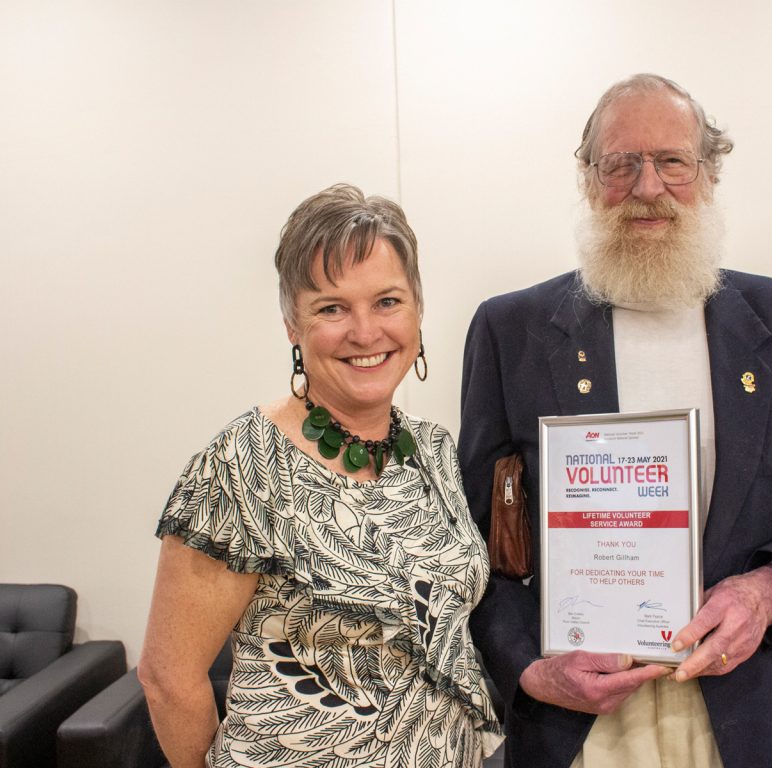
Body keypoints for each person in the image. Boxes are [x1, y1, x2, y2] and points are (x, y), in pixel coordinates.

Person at [459, 74, 772, 767]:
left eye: (672, 162)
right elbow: (470, 545)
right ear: (588, 177)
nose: (647, 188)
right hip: (579, 723)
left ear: (709, 173)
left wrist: (769, 589)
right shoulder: (509, 332)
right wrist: (529, 668)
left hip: (756, 716)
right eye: (620, 163)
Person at [139, 183, 503, 768]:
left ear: (418, 309)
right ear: (292, 324)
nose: (365, 332)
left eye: (387, 301)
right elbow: (167, 677)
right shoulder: (241, 466)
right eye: (332, 308)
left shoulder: (431, 450)